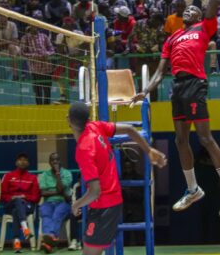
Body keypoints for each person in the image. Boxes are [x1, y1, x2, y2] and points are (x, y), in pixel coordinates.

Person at [131, 0, 220, 217]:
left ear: (200, 15)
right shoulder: (172, 38)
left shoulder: (204, 27)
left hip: (195, 84)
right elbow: (160, 71)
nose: (189, 11)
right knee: (180, 139)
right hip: (178, 87)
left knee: (204, 138)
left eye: (194, 10)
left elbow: (213, 3)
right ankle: (193, 189)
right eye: (187, 10)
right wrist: (145, 91)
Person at [67, 102, 166, 255]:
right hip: (109, 204)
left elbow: (95, 192)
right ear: (87, 119)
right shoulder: (95, 126)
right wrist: (148, 150)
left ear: (69, 120)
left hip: (103, 208)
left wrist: (76, 204)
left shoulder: (84, 150)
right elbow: (130, 129)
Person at [1, 153, 40, 252]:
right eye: (20, 160)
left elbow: (36, 197)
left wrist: (25, 196)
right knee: (17, 202)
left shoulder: (33, 178)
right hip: (10, 204)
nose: (22, 162)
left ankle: (17, 241)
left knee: (16, 210)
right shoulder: (8, 176)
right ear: (16, 162)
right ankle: (25, 228)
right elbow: (2, 195)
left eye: (25, 160)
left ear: (28, 163)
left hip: (27, 205)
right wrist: (12, 197)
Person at [38, 153, 73, 253]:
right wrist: (59, 191)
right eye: (52, 160)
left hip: (63, 202)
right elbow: (43, 193)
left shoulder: (66, 173)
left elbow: (61, 188)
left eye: (57, 159)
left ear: (60, 161)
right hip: (48, 202)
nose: (55, 162)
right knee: (45, 214)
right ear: (49, 162)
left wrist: (58, 174)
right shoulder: (45, 175)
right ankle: (50, 241)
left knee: (57, 214)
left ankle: (49, 237)